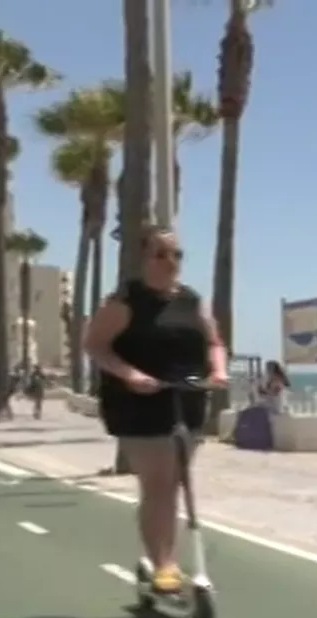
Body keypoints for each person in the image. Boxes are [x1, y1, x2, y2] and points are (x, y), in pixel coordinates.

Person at [81, 226, 228, 595]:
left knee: (175, 483)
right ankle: (165, 564)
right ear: (144, 258)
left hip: (186, 398)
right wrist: (130, 374)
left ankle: (161, 559)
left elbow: (213, 341)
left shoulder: (192, 300)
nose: (170, 262)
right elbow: (96, 345)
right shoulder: (125, 300)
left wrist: (219, 370)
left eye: (176, 255)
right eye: (161, 254)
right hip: (137, 402)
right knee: (159, 484)